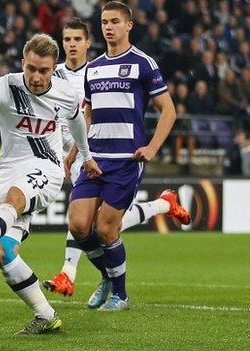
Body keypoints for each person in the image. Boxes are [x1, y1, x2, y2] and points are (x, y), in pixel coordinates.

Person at [0, 33, 99, 334]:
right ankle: (46, 315)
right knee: (2, 252)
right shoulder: (8, 85)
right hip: (8, 172)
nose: (36, 76)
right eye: (31, 68)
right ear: (23, 63)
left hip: (47, 168)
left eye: (43, 70)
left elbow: (77, 123)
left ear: (54, 68)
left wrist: (85, 156)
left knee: (13, 201)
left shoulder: (67, 93)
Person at [43, 18, 191, 298]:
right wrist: (76, 151)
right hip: (90, 157)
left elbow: (168, 110)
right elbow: (88, 114)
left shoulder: (142, 63)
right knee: (80, 224)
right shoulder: (81, 70)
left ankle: (83, 278)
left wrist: (152, 148)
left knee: (105, 227)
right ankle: (160, 207)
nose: (108, 27)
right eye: (104, 22)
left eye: (114, 22)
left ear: (129, 25)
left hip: (123, 160)